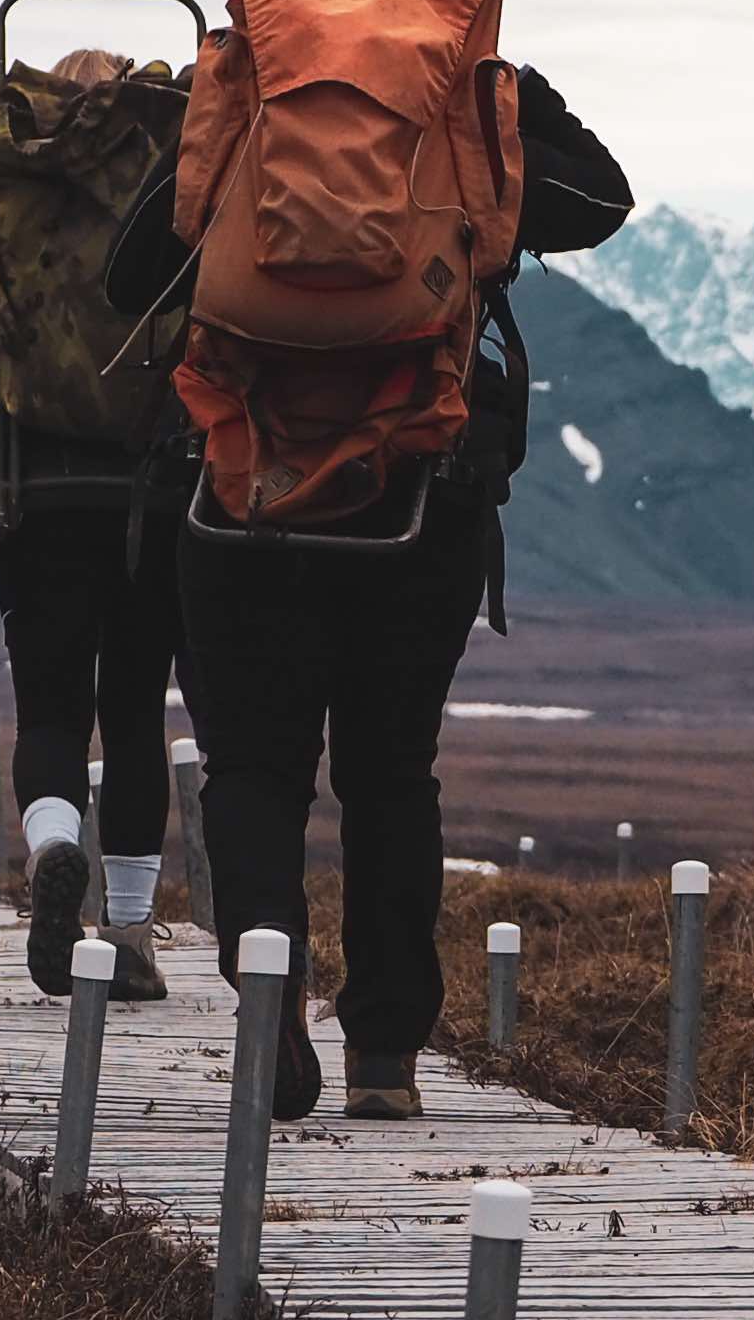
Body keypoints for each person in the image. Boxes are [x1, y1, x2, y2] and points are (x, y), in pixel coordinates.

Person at [105, 69, 631, 1122]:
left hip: (244, 506)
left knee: (253, 772)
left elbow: (132, 277)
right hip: (418, 505)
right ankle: (384, 1054)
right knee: (393, 778)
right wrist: (518, 98)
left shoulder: (254, 114)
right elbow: (603, 203)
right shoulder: (471, 124)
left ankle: (270, 1004)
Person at [0, 45, 197, 999]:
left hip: (40, 499)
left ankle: (52, 849)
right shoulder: (178, 194)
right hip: (158, 499)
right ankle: (129, 933)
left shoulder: (15, 197)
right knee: (136, 710)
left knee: (53, 706)